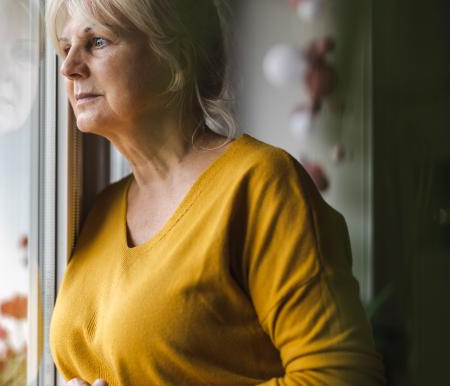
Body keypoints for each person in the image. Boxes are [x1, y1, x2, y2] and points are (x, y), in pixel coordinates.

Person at [47, 0, 385, 385]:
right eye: (65, 46)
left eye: (98, 42)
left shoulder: (260, 183)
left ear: (176, 53)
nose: (69, 67)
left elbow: (343, 377)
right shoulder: (100, 210)